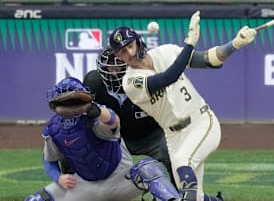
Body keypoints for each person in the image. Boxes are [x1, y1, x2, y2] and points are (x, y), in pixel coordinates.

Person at [109, 11, 256, 201]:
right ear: (118, 57)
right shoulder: (130, 82)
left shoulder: (166, 51)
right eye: (122, 51)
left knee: (181, 162)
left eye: (130, 45)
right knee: (193, 196)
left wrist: (235, 44)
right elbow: (166, 78)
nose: (129, 53)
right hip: (173, 136)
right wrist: (189, 44)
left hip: (201, 121)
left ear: (138, 41)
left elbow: (209, 60)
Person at [24, 77, 181, 201]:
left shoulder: (96, 116)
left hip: (120, 181)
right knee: (37, 198)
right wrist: (59, 177)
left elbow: (113, 121)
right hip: (84, 187)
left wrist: (94, 110)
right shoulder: (54, 129)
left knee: (148, 168)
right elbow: (49, 160)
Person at [83, 47, 175, 185]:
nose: (113, 73)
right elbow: (85, 117)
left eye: (118, 68)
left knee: (175, 155)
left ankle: (180, 192)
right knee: (81, 148)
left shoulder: (148, 80)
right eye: (110, 68)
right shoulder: (94, 83)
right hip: (116, 139)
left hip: (152, 135)